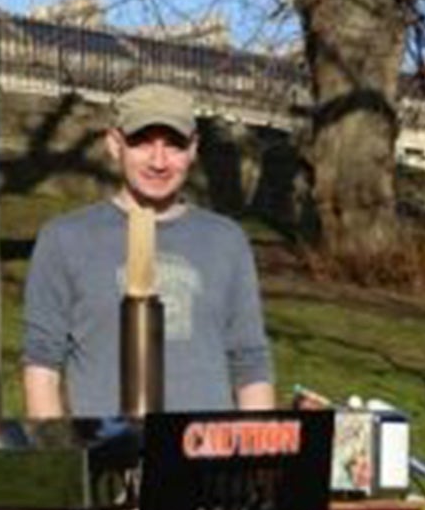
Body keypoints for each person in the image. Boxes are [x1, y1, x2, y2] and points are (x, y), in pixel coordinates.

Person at [21, 83, 276, 418]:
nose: (159, 161)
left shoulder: (227, 241)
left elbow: (250, 362)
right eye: (142, 142)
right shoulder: (65, 239)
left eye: (173, 145)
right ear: (115, 144)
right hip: (108, 456)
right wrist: (57, 457)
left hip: (204, 458)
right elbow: (42, 364)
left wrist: (256, 460)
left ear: (193, 149)